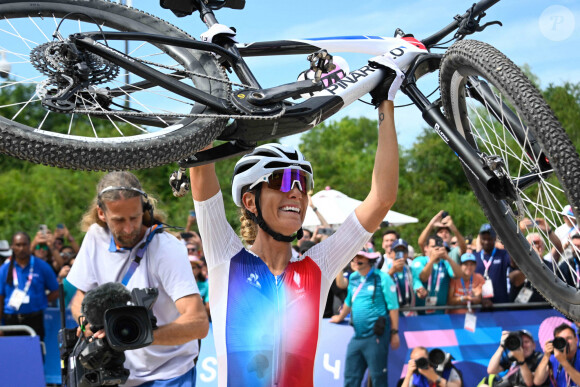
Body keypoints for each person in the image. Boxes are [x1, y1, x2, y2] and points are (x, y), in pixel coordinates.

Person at [188, 54, 403, 386]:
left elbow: (382, 198)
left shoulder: (319, 265)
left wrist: (384, 103)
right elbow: (201, 163)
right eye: (281, 182)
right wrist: (207, 69)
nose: (296, 194)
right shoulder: (225, 258)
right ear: (250, 201)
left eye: (303, 185)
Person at [67, 171, 209, 386]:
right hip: (117, 377)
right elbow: (79, 299)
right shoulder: (95, 236)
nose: (129, 228)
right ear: (102, 213)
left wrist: (134, 335)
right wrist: (89, 324)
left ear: (145, 208)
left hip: (169, 375)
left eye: (135, 217)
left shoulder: (166, 248)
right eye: (119, 220)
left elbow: (198, 324)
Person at [330, 249, 400, 386]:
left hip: (376, 335)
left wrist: (394, 332)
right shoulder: (353, 277)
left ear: (370, 260)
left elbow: (393, 307)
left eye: (360, 257)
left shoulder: (382, 278)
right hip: (358, 335)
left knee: (378, 378)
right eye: (354, 256)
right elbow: (349, 301)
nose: (356, 259)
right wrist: (340, 317)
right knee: (351, 376)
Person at [0, 232, 59, 341]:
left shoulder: (42, 266)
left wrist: (40, 300)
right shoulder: (5, 269)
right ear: (12, 247)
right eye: (18, 245)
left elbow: (56, 290)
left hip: (34, 320)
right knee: (11, 357)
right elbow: (0, 298)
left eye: (24, 244)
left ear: (29, 245)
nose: (21, 248)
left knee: (35, 356)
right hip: (11, 322)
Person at [412, 235, 461, 314]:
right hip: (420, 313)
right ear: (426, 248)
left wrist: (448, 258)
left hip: (440, 312)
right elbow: (423, 277)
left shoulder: (445, 263)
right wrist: (432, 260)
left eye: (439, 247)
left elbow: (458, 275)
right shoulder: (420, 261)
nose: (437, 249)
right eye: (433, 247)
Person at [474, 224, 512, 307]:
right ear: (480, 238)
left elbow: (513, 264)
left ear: (495, 238)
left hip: (501, 305)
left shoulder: (503, 254)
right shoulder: (475, 257)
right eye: (484, 239)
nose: (486, 242)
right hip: (479, 305)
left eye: (489, 239)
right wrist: (480, 299)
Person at [382, 238, 417, 316]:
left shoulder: (411, 266)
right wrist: (393, 270)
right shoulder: (385, 265)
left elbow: (417, 281)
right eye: (397, 250)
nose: (401, 253)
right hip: (391, 312)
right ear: (392, 253)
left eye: (403, 251)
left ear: (407, 253)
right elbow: (381, 283)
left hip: (410, 311)